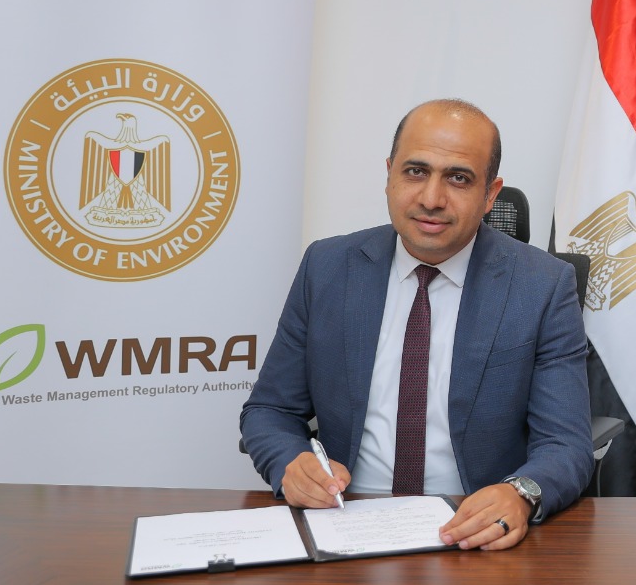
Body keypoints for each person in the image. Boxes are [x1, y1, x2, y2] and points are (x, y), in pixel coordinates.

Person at [242, 99, 593, 549]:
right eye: (415, 172)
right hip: (346, 522)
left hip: (473, 532)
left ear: (490, 194)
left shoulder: (542, 286)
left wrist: (521, 494)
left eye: (459, 178)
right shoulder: (327, 267)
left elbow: (565, 443)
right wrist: (291, 463)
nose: (431, 199)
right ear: (389, 175)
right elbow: (270, 410)